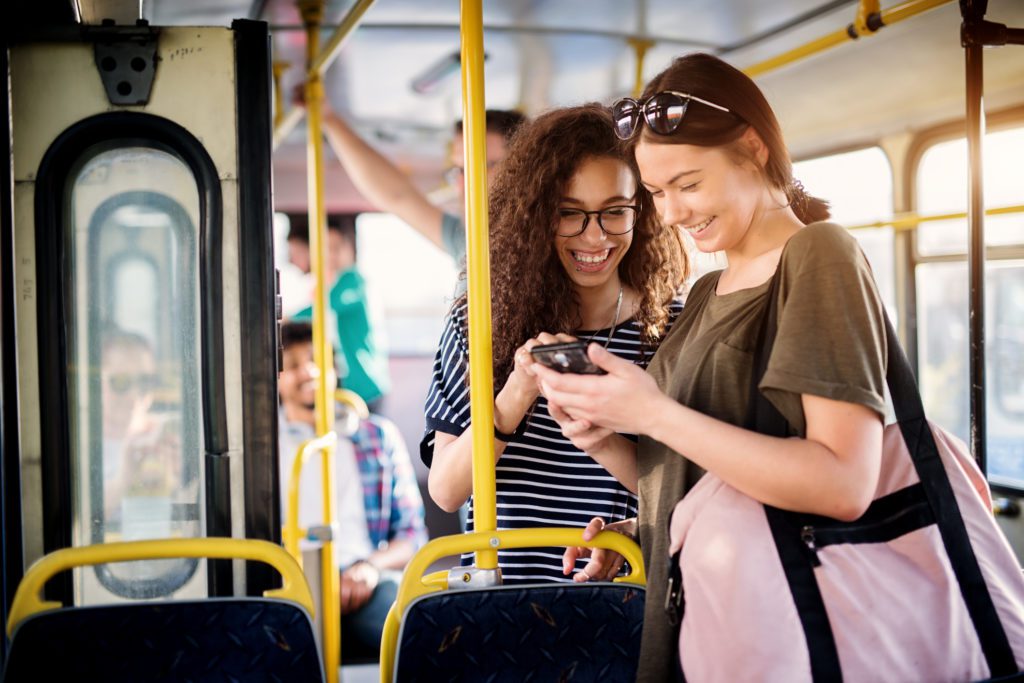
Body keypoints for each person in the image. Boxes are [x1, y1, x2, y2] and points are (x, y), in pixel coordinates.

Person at [534, 53, 886, 681]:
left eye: (688, 185)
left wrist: (654, 412)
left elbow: (842, 483)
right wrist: (610, 446)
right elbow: (701, 474)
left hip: (777, 634)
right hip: (695, 623)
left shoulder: (821, 256)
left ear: (752, 148)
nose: (669, 214)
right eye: (657, 193)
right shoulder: (706, 291)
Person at [421, 104, 689, 583]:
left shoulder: (671, 325)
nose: (595, 236)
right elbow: (445, 490)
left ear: (641, 210)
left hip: (625, 590)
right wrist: (518, 391)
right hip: (503, 593)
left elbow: (683, 490)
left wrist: (602, 437)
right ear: (536, 215)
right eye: (569, 213)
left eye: (615, 212)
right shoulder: (477, 323)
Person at [277, 320, 427, 661]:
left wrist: (369, 568)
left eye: (317, 360)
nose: (309, 372)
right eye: (294, 365)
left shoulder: (377, 437)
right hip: (289, 584)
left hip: (361, 580)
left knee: (415, 637)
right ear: (277, 377)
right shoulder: (261, 447)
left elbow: (411, 535)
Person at [303, 94, 524, 263]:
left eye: (480, 167)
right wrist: (328, 119)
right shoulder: (469, 241)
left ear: (523, 167)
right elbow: (397, 196)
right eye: (459, 170)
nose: (462, 184)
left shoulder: (550, 243)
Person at [293, 216, 390, 412]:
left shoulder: (353, 280)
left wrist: (286, 319)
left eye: (336, 248)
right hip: (353, 382)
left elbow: (323, 307)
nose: (331, 255)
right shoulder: (335, 285)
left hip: (365, 383)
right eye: (326, 249)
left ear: (349, 248)